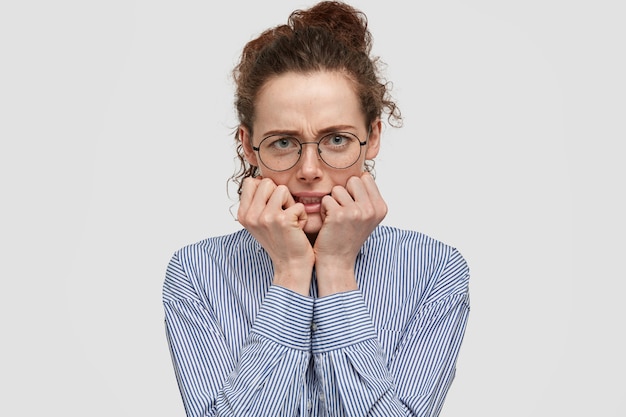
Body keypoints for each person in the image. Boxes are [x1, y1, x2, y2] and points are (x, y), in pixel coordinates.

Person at [163, 1, 470, 416]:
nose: (310, 171)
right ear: (249, 145)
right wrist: (290, 273)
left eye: (337, 140)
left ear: (373, 135)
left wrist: (338, 269)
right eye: (284, 142)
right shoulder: (196, 272)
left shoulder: (435, 269)